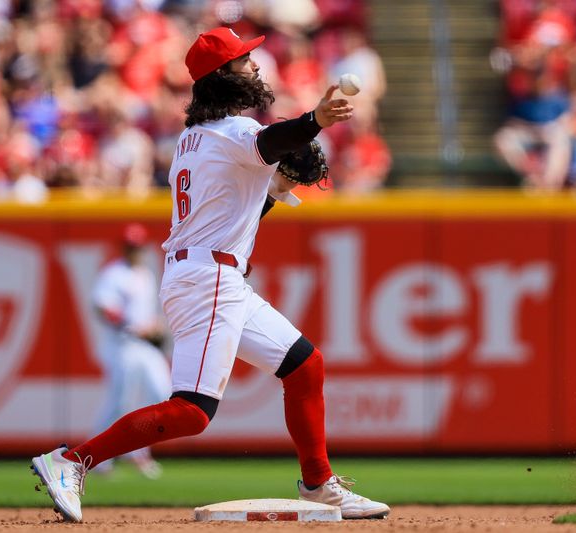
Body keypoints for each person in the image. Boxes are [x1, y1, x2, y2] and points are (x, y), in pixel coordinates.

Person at [30, 27, 391, 523]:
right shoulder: (235, 134)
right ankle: (71, 461)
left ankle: (318, 484)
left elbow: (233, 214)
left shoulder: (195, 139)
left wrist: (274, 187)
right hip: (209, 280)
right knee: (193, 411)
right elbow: (272, 138)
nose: (255, 65)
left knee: (305, 366)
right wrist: (315, 120)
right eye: (244, 60)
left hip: (213, 274)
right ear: (223, 76)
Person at [90, 223, 171, 479]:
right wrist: (133, 325)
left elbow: (149, 312)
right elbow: (102, 307)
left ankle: (138, 451)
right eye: (130, 246)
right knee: (119, 402)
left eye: (137, 246)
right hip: (121, 345)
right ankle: (95, 457)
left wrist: (155, 325)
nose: (133, 250)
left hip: (145, 347)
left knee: (163, 394)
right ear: (123, 247)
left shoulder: (146, 274)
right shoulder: (113, 273)